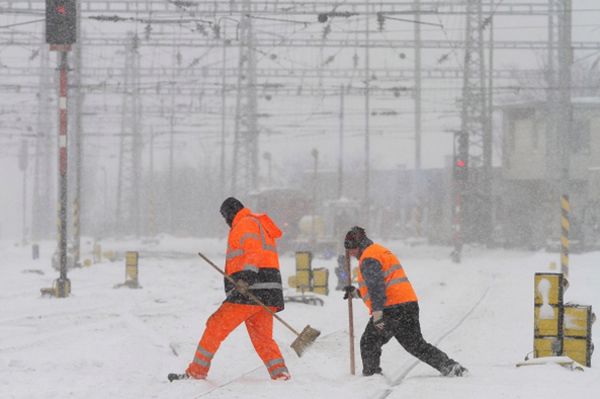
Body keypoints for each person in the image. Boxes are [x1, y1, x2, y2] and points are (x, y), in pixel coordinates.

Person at [185, 197, 290, 381]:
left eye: (225, 217)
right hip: (269, 292)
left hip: (249, 290)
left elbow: (253, 250)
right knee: (263, 338)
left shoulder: (244, 223)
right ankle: (280, 374)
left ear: (229, 213)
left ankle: (196, 372)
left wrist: (245, 278)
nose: (226, 222)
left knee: (215, 326)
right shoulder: (257, 224)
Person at [342, 226, 467, 377]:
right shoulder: (379, 251)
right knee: (416, 345)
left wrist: (377, 314)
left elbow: (377, 288)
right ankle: (450, 366)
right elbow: (383, 284)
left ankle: (372, 376)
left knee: (369, 342)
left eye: (351, 249)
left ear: (358, 245)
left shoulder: (368, 258)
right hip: (407, 305)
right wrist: (356, 293)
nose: (350, 253)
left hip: (391, 309)